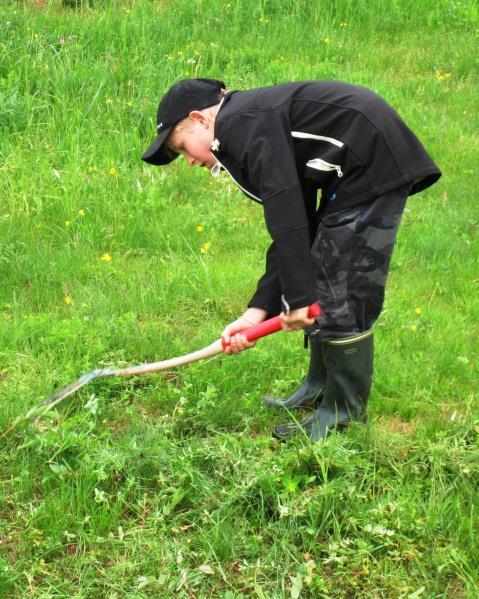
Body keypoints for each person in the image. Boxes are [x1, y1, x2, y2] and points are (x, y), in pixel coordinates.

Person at [141, 78, 441, 441]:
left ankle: (343, 411)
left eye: (182, 146)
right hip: (346, 173)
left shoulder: (240, 124)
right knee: (322, 267)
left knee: (343, 284)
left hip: (370, 162)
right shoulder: (244, 124)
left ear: (201, 119)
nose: (188, 160)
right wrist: (257, 311)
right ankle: (318, 387)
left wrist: (299, 297)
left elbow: (287, 215)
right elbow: (294, 221)